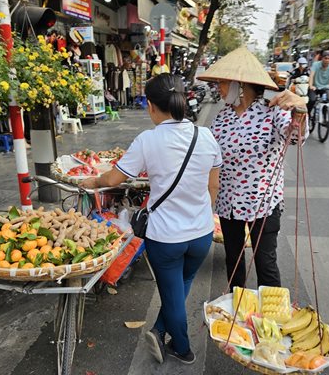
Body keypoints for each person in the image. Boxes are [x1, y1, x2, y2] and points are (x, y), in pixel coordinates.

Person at [79, 73, 222, 365]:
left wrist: (92, 183)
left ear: (152, 106)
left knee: (172, 290)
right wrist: (201, 214)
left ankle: (182, 349)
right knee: (181, 285)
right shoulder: (205, 135)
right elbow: (213, 186)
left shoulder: (148, 139)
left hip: (166, 237)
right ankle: (158, 330)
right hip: (201, 233)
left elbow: (115, 177)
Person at [196, 46, 308, 291]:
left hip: (263, 204)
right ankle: (238, 311)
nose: (219, 89)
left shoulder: (272, 113)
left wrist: (300, 107)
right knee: (233, 262)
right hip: (228, 204)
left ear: (240, 85)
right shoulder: (222, 118)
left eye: (223, 83)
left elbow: (296, 137)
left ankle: (272, 320)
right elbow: (210, 156)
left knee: (265, 264)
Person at [308, 50, 329, 116]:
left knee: (328, 102)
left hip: (325, 87)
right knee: (312, 100)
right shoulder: (316, 64)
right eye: (326, 58)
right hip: (314, 87)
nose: (327, 60)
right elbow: (311, 75)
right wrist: (311, 86)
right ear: (322, 58)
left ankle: (324, 117)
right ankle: (308, 114)